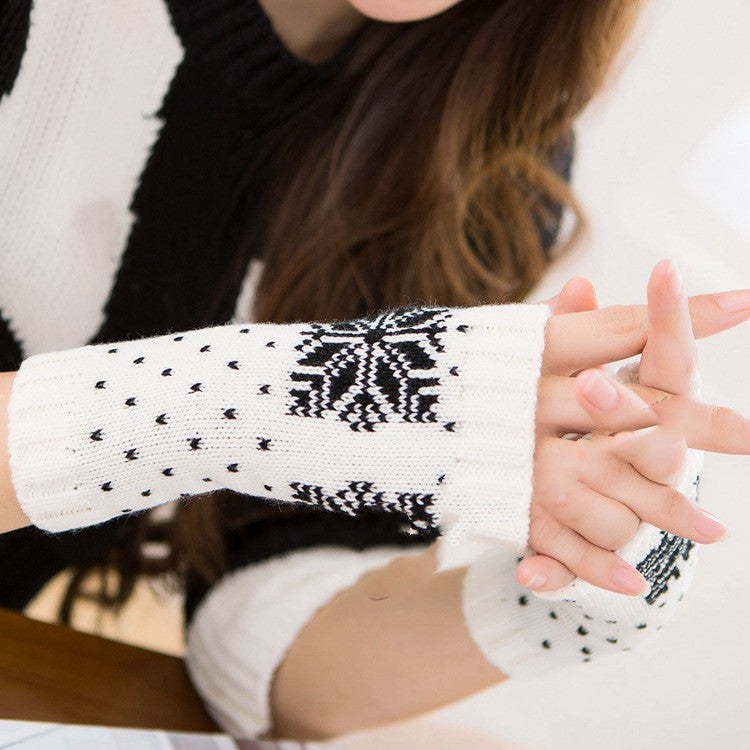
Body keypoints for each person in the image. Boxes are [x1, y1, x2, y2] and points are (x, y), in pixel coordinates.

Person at [0, 0, 747, 741]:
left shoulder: (482, 151)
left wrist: (565, 596)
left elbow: (269, 662)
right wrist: (251, 404)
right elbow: (255, 404)